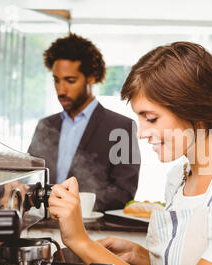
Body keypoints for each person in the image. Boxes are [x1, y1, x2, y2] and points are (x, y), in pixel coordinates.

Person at [48, 42, 212, 265]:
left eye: (151, 119)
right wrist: (146, 258)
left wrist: (80, 241)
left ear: (194, 111)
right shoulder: (179, 176)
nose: (142, 133)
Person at [28, 34, 140, 212]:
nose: (61, 90)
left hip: (93, 231)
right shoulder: (45, 126)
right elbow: (31, 179)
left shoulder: (120, 127)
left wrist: (72, 206)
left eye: (70, 81)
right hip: (44, 225)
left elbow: (123, 193)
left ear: (91, 78)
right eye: (56, 80)